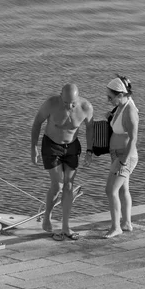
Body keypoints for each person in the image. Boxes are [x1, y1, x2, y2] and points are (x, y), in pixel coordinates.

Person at [31, 83, 94, 241]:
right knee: (57, 185)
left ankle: (66, 226)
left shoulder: (86, 107)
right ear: (60, 96)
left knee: (69, 185)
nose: (69, 106)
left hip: (72, 147)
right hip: (51, 145)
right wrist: (33, 147)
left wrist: (90, 151)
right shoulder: (51, 104)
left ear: (78, 98)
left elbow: (90, 129)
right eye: (66, 103)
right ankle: (47, 217)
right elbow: (37, 122)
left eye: (72, 103)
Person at [104, 76, 139, 238]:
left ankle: (116, 227)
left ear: (120, 95)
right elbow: (120, 126)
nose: (108, 100)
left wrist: (124, 161)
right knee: (123, 189)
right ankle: (126, 223)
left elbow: (133, 138)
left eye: (110, 97)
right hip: (117, 154)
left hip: (125, 156)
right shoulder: (121, 106)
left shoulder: (130, 110)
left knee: (110, 190)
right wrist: (110, 118)